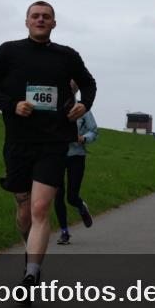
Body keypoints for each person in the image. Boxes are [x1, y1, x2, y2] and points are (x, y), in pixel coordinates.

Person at [0, 1, 96, 306]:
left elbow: (89, 83)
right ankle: (30, 251)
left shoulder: (66, 55)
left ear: (54, 24)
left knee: (40, 208)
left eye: (46, 16)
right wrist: (12, 104)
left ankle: (31, 274)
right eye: (36, 16)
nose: (41, 20)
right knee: (23, 210)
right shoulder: (7, 51)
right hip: (18, 141)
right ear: (27, 22)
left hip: (54, 141)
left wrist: (85, 103)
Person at [56, 80, 98, 245]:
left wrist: (83, 138)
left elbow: (94, 131)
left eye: (74, 83)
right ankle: (64, 232)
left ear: (77, 88)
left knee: (71, 197)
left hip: (76, 155)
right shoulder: (55, 106)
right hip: (57, 155)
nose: (70, 85)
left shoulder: (83, 109)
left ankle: (81, 206)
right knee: (58, 195)